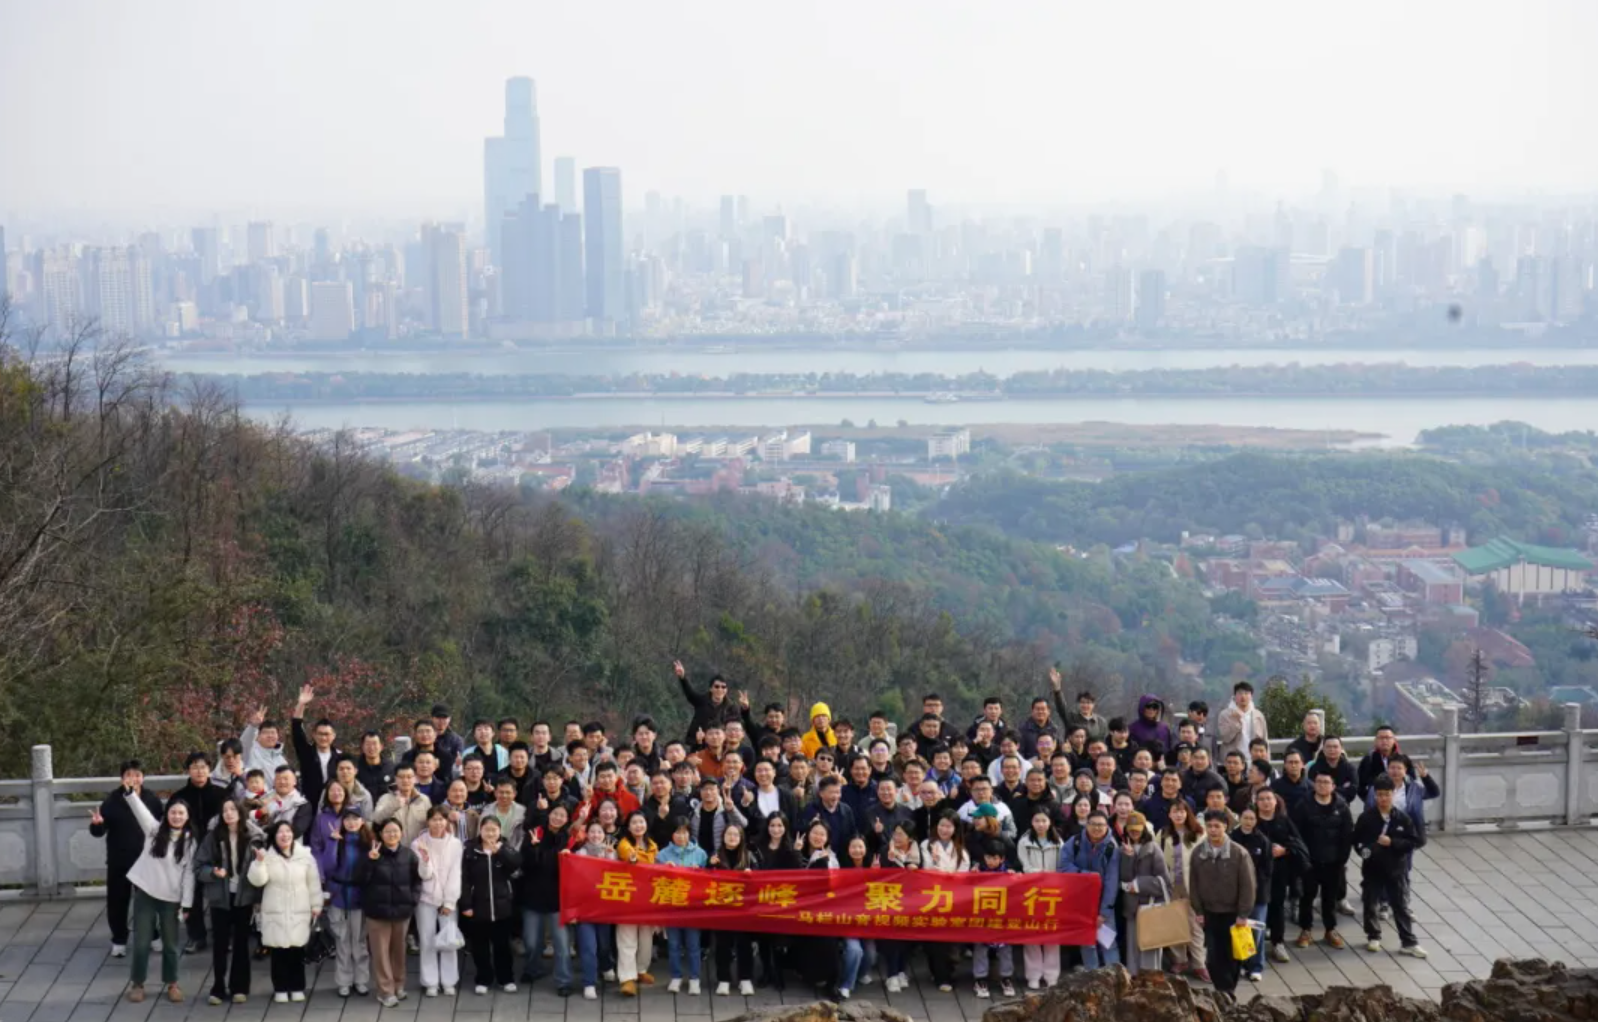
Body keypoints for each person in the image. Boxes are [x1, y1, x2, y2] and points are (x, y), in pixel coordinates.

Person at [122, 787, 195, 1004]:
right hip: (146, 893)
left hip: (172, 899)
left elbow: (189, 875)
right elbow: (140, 811)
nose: (177, 816)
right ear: (167, 815)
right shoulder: (154, 830)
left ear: (187, 817)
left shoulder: (190, 841)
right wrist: (130, 793)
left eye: (181, 813)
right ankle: (137, 983)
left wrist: (187, 904)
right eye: (173, 812)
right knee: (142, 942)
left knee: (171, 944)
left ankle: (172, 982)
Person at [90, 760, 164, 959]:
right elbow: (99, 831)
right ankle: (119, 939)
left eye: (137, 774)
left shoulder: (151, 799)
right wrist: (97, 825)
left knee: (148, 901)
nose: (133, 779)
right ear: (122, 778)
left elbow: (161, 826)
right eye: (129, 775)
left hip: (146, 860)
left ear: (143, 777)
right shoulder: (112, 800)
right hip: (119, 860)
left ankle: (152, 935)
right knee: (117, 901)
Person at [247, 820, 322, 1003]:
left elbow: (313, 882)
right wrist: (258, 863)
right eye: (280, 832)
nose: (285, 835)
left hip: (299, 909)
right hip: (276, 911)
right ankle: (280, 988)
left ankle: (297, 987)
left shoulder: (305, 856)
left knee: (297, 952)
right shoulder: (267, 856)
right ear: (274, 836)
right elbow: (258, 881)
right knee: (278, 953)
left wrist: (316, 905)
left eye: (288, 831)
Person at [1354, 776, 1429, 958]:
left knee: (1400, 906)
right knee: (1370, 903)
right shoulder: (1366, 818)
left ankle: (1408, 942)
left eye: (1386, 795)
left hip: (1396, 869)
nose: (1383, 799)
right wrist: (1365, 851)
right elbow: (1357, 840)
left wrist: (1393, 842)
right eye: (1379, 795)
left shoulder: (1402, 818)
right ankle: (1373, 936)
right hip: (1372, 869)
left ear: (1393, 794)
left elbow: (1413, 841)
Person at [1188, 809, 1256, 1007]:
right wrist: (1198, 911)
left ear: (1225, 826)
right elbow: (1193, 884)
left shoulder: (1238, 853)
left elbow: (1248, 886)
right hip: (1210, 912)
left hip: (1233, 914)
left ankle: (1228, 991)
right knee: (1213, 956)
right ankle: (1222, 991)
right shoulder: (1198, 853)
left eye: (1217, 826)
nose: (1213, 830)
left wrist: (1243, 914)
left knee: (1233, 956)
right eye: (1209, 826)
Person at [357, 817, 426, 1008]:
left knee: (399, 951)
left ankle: (399, 985)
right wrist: (369, 862)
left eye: (395, 831)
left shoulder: (409, 855)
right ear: (381, 834)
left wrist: (413, 900)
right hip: (377, 912)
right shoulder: (373, 854)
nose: (392, 834)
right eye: (387, 831)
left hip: (402, 911)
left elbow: (417, 881)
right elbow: (361, 879)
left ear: (401, 833)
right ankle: (385, 991)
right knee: (380, 953)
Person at [194, 799, 258, 1005]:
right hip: (219, 897)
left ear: (240, 812)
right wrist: (212, 872)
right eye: (225, 810)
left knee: (241, 943)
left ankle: (240, 986)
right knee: (220, 944)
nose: (229, 813)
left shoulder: (253, 837)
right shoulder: (213, 838)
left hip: (244, 897)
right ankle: (218, 987)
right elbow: (198, 867)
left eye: (232, 809)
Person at [166, 751, 230, 953]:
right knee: (191, 894)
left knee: (220, 895)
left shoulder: (222, 794)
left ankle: (223, 936)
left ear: (209, 769)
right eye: (195, 767)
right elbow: (169, 823)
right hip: (189, 850)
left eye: (203, 766)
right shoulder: (179, 797)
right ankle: (196, 936)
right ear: (188, 770)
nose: (199, 771)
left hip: (216, 850)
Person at [1292, 771, 1353, 950]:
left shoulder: (1341, 806)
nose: (1322, 785)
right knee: (1307, 896)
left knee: (1330, 898)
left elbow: (1347, 835)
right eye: (1318, 782)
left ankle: (1330, 930)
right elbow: (1296, 833)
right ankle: (1305, 930)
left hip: (1333, 862)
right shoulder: (1304, 805)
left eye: (1326, 782)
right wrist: (1302, 858)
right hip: (1310, 862)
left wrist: (1342, 859)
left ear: (1333, 786)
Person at [460, 815, 521, 995]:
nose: (490, 833)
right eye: (487, 829)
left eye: (494, 830)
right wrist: (466, 905)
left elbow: (516, 865)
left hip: (502, 907)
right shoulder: (470, 850)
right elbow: (464, 879)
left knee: (503, 946)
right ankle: (483, 978)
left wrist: (499, 852)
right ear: (480, 830)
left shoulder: (506, 847)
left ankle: (506, 979)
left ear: (500, 831)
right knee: (480, 947)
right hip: (478, 906)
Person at [316, 808, 372, 998]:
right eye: (347, 819)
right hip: (339, 895)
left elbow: (371, 871)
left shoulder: (369, 843)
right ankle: (344, 981)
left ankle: (361, 980)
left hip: (360, 897)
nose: (351, 822)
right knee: (341, 941)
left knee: (359, 941)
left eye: (355, 818)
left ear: (362, 821)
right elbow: (328, 866)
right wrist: (332, 842)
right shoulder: (336, 842)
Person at [519, 803, 573, 993]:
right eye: (555, 813)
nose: (558, 817)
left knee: (562, 945)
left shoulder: (567, 838)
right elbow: (525, 862)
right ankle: (533, 969)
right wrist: (537, 852)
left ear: (567, 820)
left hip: (558, 900)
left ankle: (564, 981)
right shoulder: (535, 832)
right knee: (532, 942)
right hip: (532, 897)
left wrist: (540, 854)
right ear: (549, 814)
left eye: (562, 815)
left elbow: (556, 865)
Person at [413, 806, 464, 997]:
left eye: (441, 819)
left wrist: (450, 902)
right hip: (426, 899)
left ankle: (449, 981)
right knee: (427, 940)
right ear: (428, 821)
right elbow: (424, 875)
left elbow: (456, 874)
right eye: (434, 819)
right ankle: (430, 982)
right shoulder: (418, 843)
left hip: (448, 900)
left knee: (448, 939)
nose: (438, 823)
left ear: (447, 822)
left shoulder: (456, 844)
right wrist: (425, 859)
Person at [1059, 810, 1120, 968]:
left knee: (1108, 943)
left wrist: (1104, 912)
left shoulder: (1111, 847)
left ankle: (1115, 979)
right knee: (1087, 942)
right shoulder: (1075, 842)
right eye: (1093, 824)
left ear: (1107, 826)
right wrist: (1086, 875)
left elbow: (1111, 881)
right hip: (1080, 903)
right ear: (1087, 825)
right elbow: (1063, 866)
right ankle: (1092, 979)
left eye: (1101, 825)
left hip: (1103, 903)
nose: (1097, 828)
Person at [1252, 788, 1305, 966]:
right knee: (1257, 907)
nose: (1266, 802)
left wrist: (1285, 850)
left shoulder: (1284, 821)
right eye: (1262, 799)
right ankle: (1253, 946)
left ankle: (1278, 942)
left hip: (1279, 871)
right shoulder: (1252, 822)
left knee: (1278, 906)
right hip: (1256, 874)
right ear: (1256, 802)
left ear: (1275, 802)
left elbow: (1298, 843)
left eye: (1269, 799)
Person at [1156, 799, 1207, 980]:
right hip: (1171, 886)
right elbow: (1158, 858)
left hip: (1193, 886)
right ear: (1169, 814)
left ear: (1187, 813)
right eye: (1175, 811)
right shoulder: (1163, 834)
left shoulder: (1198, 833)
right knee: (1175, 924)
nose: (1178, 815)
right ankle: (1180, 960)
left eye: (1182, 811)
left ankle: (1199, 963)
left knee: (1195, 926)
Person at [657, 817, 708, 995]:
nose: (681, 836)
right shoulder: (662, 855)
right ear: (671, 834)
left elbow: (709, 882)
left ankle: (694, 978)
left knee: (693, 945)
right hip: (672, 907)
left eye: (684, 832)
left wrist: (699, 872)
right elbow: (654, 881)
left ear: (689, 833)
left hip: (693, 908)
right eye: (677, 832)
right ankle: (676, 977)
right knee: (674, 945)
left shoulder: (700, 854)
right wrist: (663, 870)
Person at [1117, 811, 1171, 975]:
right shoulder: (1122, 849)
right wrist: (1127, 857)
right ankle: (1134, 977)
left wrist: (1138, 885)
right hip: (1132, 907)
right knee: (1133, 946)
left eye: (1137, 829)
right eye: (1131, 829)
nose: (1134, 833)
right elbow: (1123, 878)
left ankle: (1151, 978)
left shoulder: (1153, 849)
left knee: (1151, 946)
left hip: (1151, 905)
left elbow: (1164, 882)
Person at [918, 812, 966, 993]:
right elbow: (927, 871)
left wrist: (943, 871)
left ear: (955, 829)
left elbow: (962, 874)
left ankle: (948, 973)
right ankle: (940, 976)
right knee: (934, 941)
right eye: (941, 825)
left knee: (952, 942)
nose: (944, 830)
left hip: (954, 900)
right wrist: (937, 864)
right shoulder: (927, 844)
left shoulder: (960, 849)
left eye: (948, 826)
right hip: (932, 898)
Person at [613, 811, 659, 996]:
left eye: (641, 822)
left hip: (647, 897)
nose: (638, 825)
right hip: (627, 896)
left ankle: (641, 970)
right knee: (626, 938)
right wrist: (634, 859)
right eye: (634, 823)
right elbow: (629, 856)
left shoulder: (653, 846)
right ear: (628, 827)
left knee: (646, 938)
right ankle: (627, 978)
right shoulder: (624, 844)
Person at [572, 820, 618, 1001]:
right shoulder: (579, 854)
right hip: (585, 910)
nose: (596, 835)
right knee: (588, 947)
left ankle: (606, 966)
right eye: (592, 832)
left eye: (599, 832)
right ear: (587, 835)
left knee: (604, 945)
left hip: (604, 909)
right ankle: (589, 983)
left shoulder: (610, 853)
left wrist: (610, 858)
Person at [711, 824, 757, 995]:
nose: (732, 837)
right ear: (723, 836)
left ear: (741, 837)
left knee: (744, 944)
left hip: (743, 909)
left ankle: (745, 979)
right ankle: (723, 979)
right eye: (729, 834)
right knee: (723, 945)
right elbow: (703, 881)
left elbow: (761, 880)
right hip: (722, 910)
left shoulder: (749, 856)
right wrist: (710, 867)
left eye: (735, 835)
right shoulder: (715, 856)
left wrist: (751, 874)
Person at [1230, 807, 1273, 982]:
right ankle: (1241, 963)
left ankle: (1256, 966)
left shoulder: (1262, 840)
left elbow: (1268, 868)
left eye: (1252, 818)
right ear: (1240, 818)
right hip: (1235, 892)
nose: (1248, 821)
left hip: (1258, 893)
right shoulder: (1232, 838)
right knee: (1239, 930)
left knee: (1257, 930)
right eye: (1245, 818)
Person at [970, 840, 1016, 999]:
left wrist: (1015, 877)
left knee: (1005, 949)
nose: (991, 861)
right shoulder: (977, 871)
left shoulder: (1009, 873)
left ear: (1002, 859)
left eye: (995, 858)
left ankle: (1006, 977)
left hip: (1002, 917)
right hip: (982, 917)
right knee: (980, 948)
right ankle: (980, 979)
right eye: (988, 857)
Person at [290, 684, 342, 817]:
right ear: (313, 735)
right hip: (310, 807)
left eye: (327, 734)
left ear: (333, 736)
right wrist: (301, 704)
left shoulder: (340, 758)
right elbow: (296, 729)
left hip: (333, 808)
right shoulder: (307, 753)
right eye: (320, 734)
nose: (323, 737)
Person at [674, 660, 741, 744]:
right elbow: (689, 693)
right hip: (698, 743)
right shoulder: (701, 701)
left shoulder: (731, 708)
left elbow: (736, 727)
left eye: (723, 687)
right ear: (711, 688)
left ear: (726, 690)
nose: (720, 689)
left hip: (721, 746)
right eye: (716, 686)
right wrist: (682, 678)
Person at [372, 763, 432, 845]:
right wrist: (395, 805)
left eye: (409, 777)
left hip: (419, 849)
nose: (405, 780)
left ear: (415, 779)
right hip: (396, 851)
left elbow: (430, 825)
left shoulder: (424, 800)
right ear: (395, 779)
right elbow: (377, 819)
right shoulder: (385, 798)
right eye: (401, 777)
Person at [1050, 668, 1108, 743]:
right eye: (1082, 702)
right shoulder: (1071, 718)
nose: (1085, 705)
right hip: (1073, 753)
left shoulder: (1101, 722)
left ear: (1093, 705)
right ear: (1078, 704)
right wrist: (1057, 689)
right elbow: (1061, 707)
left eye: (1088, 703)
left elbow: (1102, 741)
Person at [1216, 681, 1269, 760]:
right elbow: (1225, 738)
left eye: (1246, 693)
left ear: (1251, 696)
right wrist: (1236, 721)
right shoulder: (1225, 715)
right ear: (1234, 696)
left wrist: (1267, 759)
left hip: (1255, 758)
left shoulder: (1258, 715)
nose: (1243, 696)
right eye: (1240, 693)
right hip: (1233, 759)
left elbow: (1265, 739)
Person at [1127, 696, 1172, 761]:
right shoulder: (1133, 728)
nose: (1151, 710)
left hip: (1161, 766)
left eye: (1155, 707)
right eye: (1148, 706)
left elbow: (1168, 748)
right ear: (1142, 708)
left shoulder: (1164, 728)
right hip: (1141, 765)